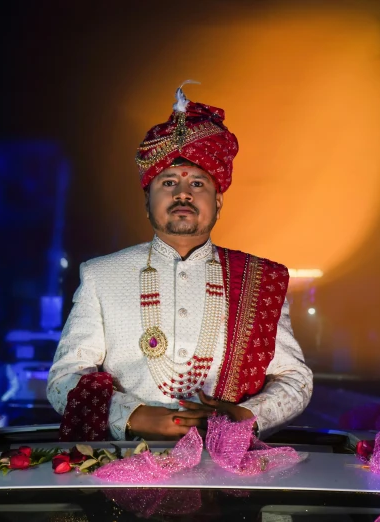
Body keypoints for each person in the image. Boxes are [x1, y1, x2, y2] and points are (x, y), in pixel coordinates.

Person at [47, 82, 313, 441]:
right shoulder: (101, 275)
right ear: (147, 201)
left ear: (218, 201)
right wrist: (136, 417)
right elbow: (64, 379)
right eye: (168, 182)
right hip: (126, 465)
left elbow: (295, 379)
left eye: (199, 185)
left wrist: (244, 415)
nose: (183, 193)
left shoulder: (259, 279)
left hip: (228, 466)